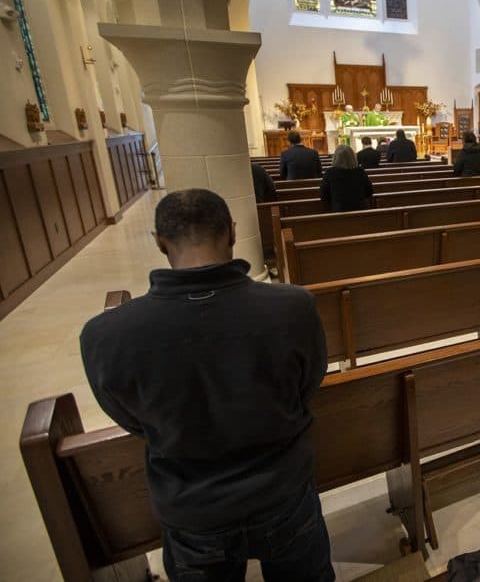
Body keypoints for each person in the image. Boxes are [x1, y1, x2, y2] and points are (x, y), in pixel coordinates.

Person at [80, 189, 334, 582]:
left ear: (160, 243)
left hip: (192, 507)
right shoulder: (293, 307)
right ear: (232, 233)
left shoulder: (105, 335)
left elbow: (130, 417)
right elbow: (308, 383)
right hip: (282, 491)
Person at [322, 144, 374, 212]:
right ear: (353, 157)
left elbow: (323, 195)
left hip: (339, 212)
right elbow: (369, 191)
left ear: (335, 157)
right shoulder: (360, 171)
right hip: (360, 211)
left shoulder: (330, 172)